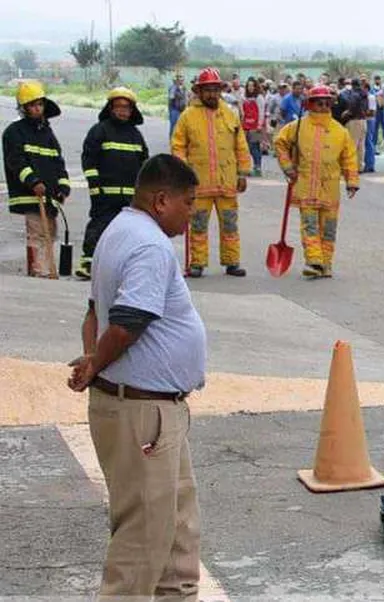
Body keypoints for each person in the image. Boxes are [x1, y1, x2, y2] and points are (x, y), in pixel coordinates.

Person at [67, 153, 206, 599]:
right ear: (162, 200)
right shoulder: (148, 244)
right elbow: (126, 322)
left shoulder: (120, 229)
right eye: (189, 203)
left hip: (157, 410)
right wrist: (95, 363)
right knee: (142, 540)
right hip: (143, 412)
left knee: (176, 531)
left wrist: (92, 355)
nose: (192, 214)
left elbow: (94, 312)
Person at [171, 67, 251, 278]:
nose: (212, 94)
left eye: (215, 89)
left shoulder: (230, 114)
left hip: (227, 183)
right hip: (199, 184)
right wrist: (183, 171)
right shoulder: (188, 116)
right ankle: (197, 263)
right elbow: (178, 146)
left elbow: (241, 146)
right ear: (199, 91)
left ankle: (232, 262)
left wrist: (243, 173)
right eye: (207, 90)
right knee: (197, 226)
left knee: (230, 224)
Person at [274, 85, 360, 280]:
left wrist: (351, 181)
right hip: (306, 188)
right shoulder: (297, 127)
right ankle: (314, 261)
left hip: (330, 191)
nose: (323, 106)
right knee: (310, 227)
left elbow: (349, 157)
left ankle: (326, 264)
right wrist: (287, 167)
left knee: (328, 230)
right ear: (309, 104)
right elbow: (279, 143)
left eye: (326, 103)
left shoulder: (340, 131)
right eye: (319, 103)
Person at [77, 87, 149, 280]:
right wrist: (94, 185)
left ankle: (121, 266)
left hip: (130, 195)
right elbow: (89, 159)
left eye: (126, 107)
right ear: (110, 108)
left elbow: (144, 163)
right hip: (105, 194)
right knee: (99, 226)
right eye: (118, 107)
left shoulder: (135, 135)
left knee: (129, 232)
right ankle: (88, 263)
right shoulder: (100, 130)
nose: (122, 111)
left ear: (132, 110)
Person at [3, 80, 71, 278]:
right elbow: (15, 161)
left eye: (39, 104)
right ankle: (37, 271)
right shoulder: (14, 132)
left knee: (50, 232)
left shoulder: (47, 133)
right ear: (24, 108)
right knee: (37, 234)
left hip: (48, 196)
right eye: (32, 105)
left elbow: (58, 162)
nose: (37, 108)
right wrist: (33, 182)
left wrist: (63, 188)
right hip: (30, 195)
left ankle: (48, 269)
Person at [241, 78, 267, 177]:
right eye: (248, 85)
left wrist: (260, 125)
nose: (250, 87)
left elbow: (261, 112)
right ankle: (252, 167)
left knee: (255, 147)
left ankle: (258, 167)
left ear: (256, 86)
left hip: (256, 126)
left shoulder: (259, 97)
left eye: (252, 85)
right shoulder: (245, 97)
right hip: (246, 126)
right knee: (248, 148)